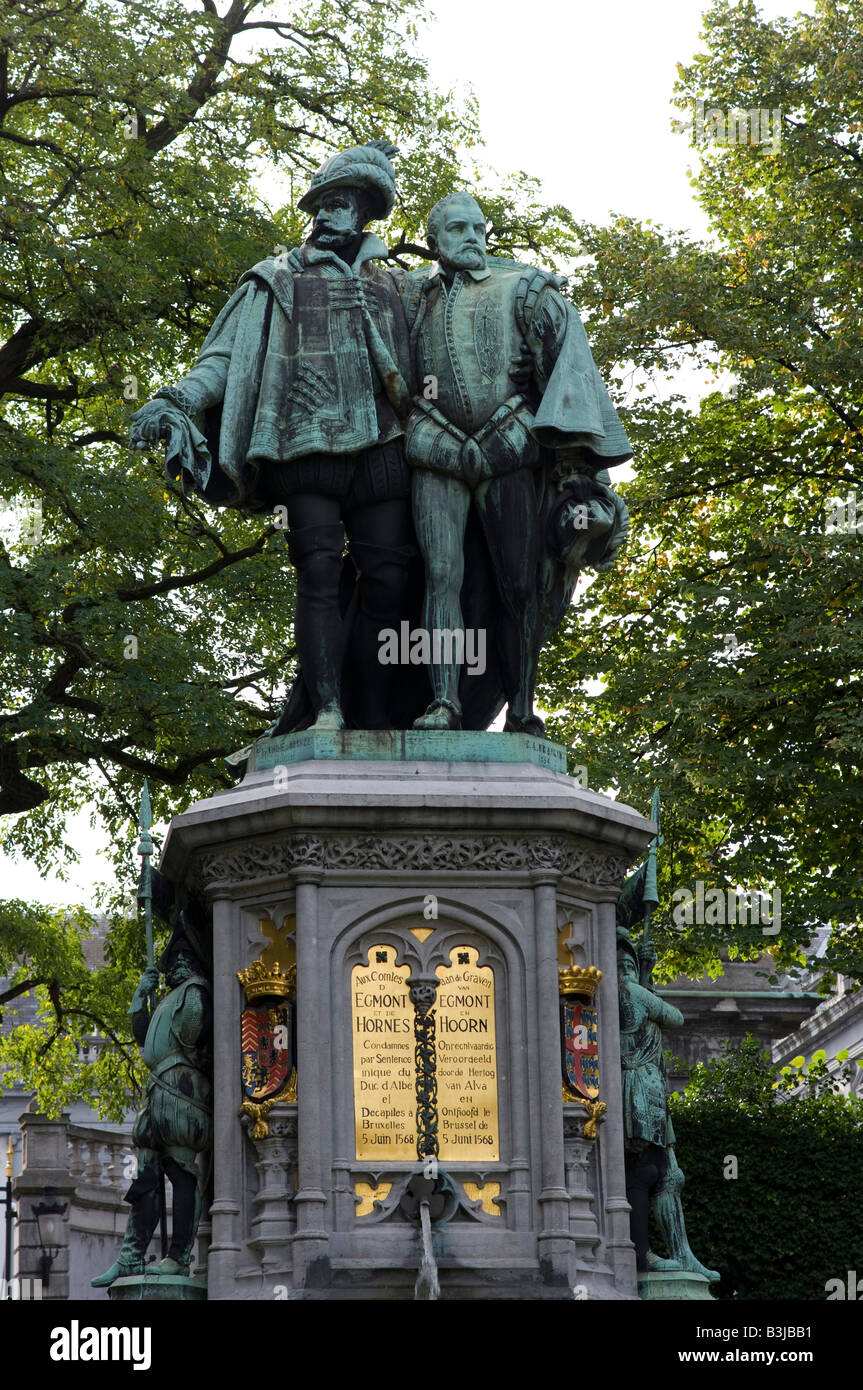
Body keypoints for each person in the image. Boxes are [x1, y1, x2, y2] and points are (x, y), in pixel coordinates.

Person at [129, 141, 425, 733]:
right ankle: (327, 711)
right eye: (322, 203)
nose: (327, 214)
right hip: (301, 447)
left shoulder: (403, 286)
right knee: (316, 572)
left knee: (390, 580)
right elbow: (223, 359)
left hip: (383, 451)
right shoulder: (274, 278)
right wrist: (177, 399)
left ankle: (373, 710)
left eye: (342, 204)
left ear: (367, 211)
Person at [397, 192, 631, 733]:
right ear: (435, 240)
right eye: (458, 229)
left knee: (519, 583)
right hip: (435, 447)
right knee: (439, 576)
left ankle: (522, 708)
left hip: (510, 446)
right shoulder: (411, 297)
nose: (473, 237)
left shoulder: (524, 289)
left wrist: (579, 474)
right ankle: (443, 702)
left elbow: (564, 375)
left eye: (479, 228)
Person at [92, 911, 212, 1286]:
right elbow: (144, 1039)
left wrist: (188, 989)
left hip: (181, 1091)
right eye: (170, 961)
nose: (174, 966)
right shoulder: (169, 996)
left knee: (180, 1172)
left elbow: (191, 1034)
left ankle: (178, 1257)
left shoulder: (194, 991)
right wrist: (141, 998)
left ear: (191, 964)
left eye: (180, 960)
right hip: (158, 1089)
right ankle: (131, 1256)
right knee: (145, 1178)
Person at [617, 928, 720, 1282]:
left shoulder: (620, 992)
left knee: (665, 1173)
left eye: (632, 965)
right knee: (649, 1171)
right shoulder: (631, 992)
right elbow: (675, 1017)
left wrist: (647, 973)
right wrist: (643, 981)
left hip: (645, 1089)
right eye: (626, 965)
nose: (628, 971)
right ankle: (645, 1253)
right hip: (640, 1091)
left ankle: (677, 1253)